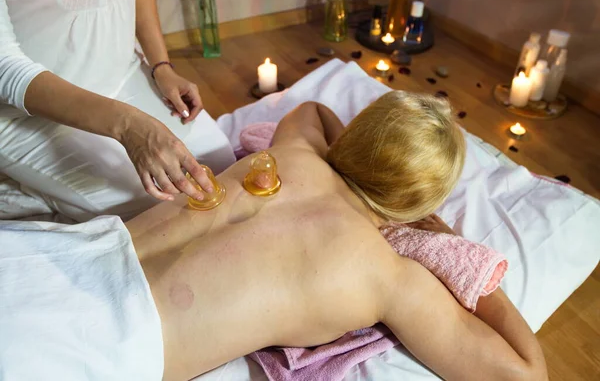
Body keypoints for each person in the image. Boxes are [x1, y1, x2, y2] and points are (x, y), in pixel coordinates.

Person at [0, 92, 548, 380]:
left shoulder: (291, 153)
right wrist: (451, 247)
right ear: (415, 205)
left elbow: (313, 110)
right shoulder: (386, 275)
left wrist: (353, 151)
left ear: (356, 137)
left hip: (58, 255)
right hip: (103, 347)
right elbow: (526, 375)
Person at [0, 0, 235, 222]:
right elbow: (4, 67)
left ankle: (62, 195)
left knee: (221, 163)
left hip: (123, 74)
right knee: (158, 209)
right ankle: (37, 197)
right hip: (29, 113)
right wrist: (128, 126)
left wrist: (161, 66)